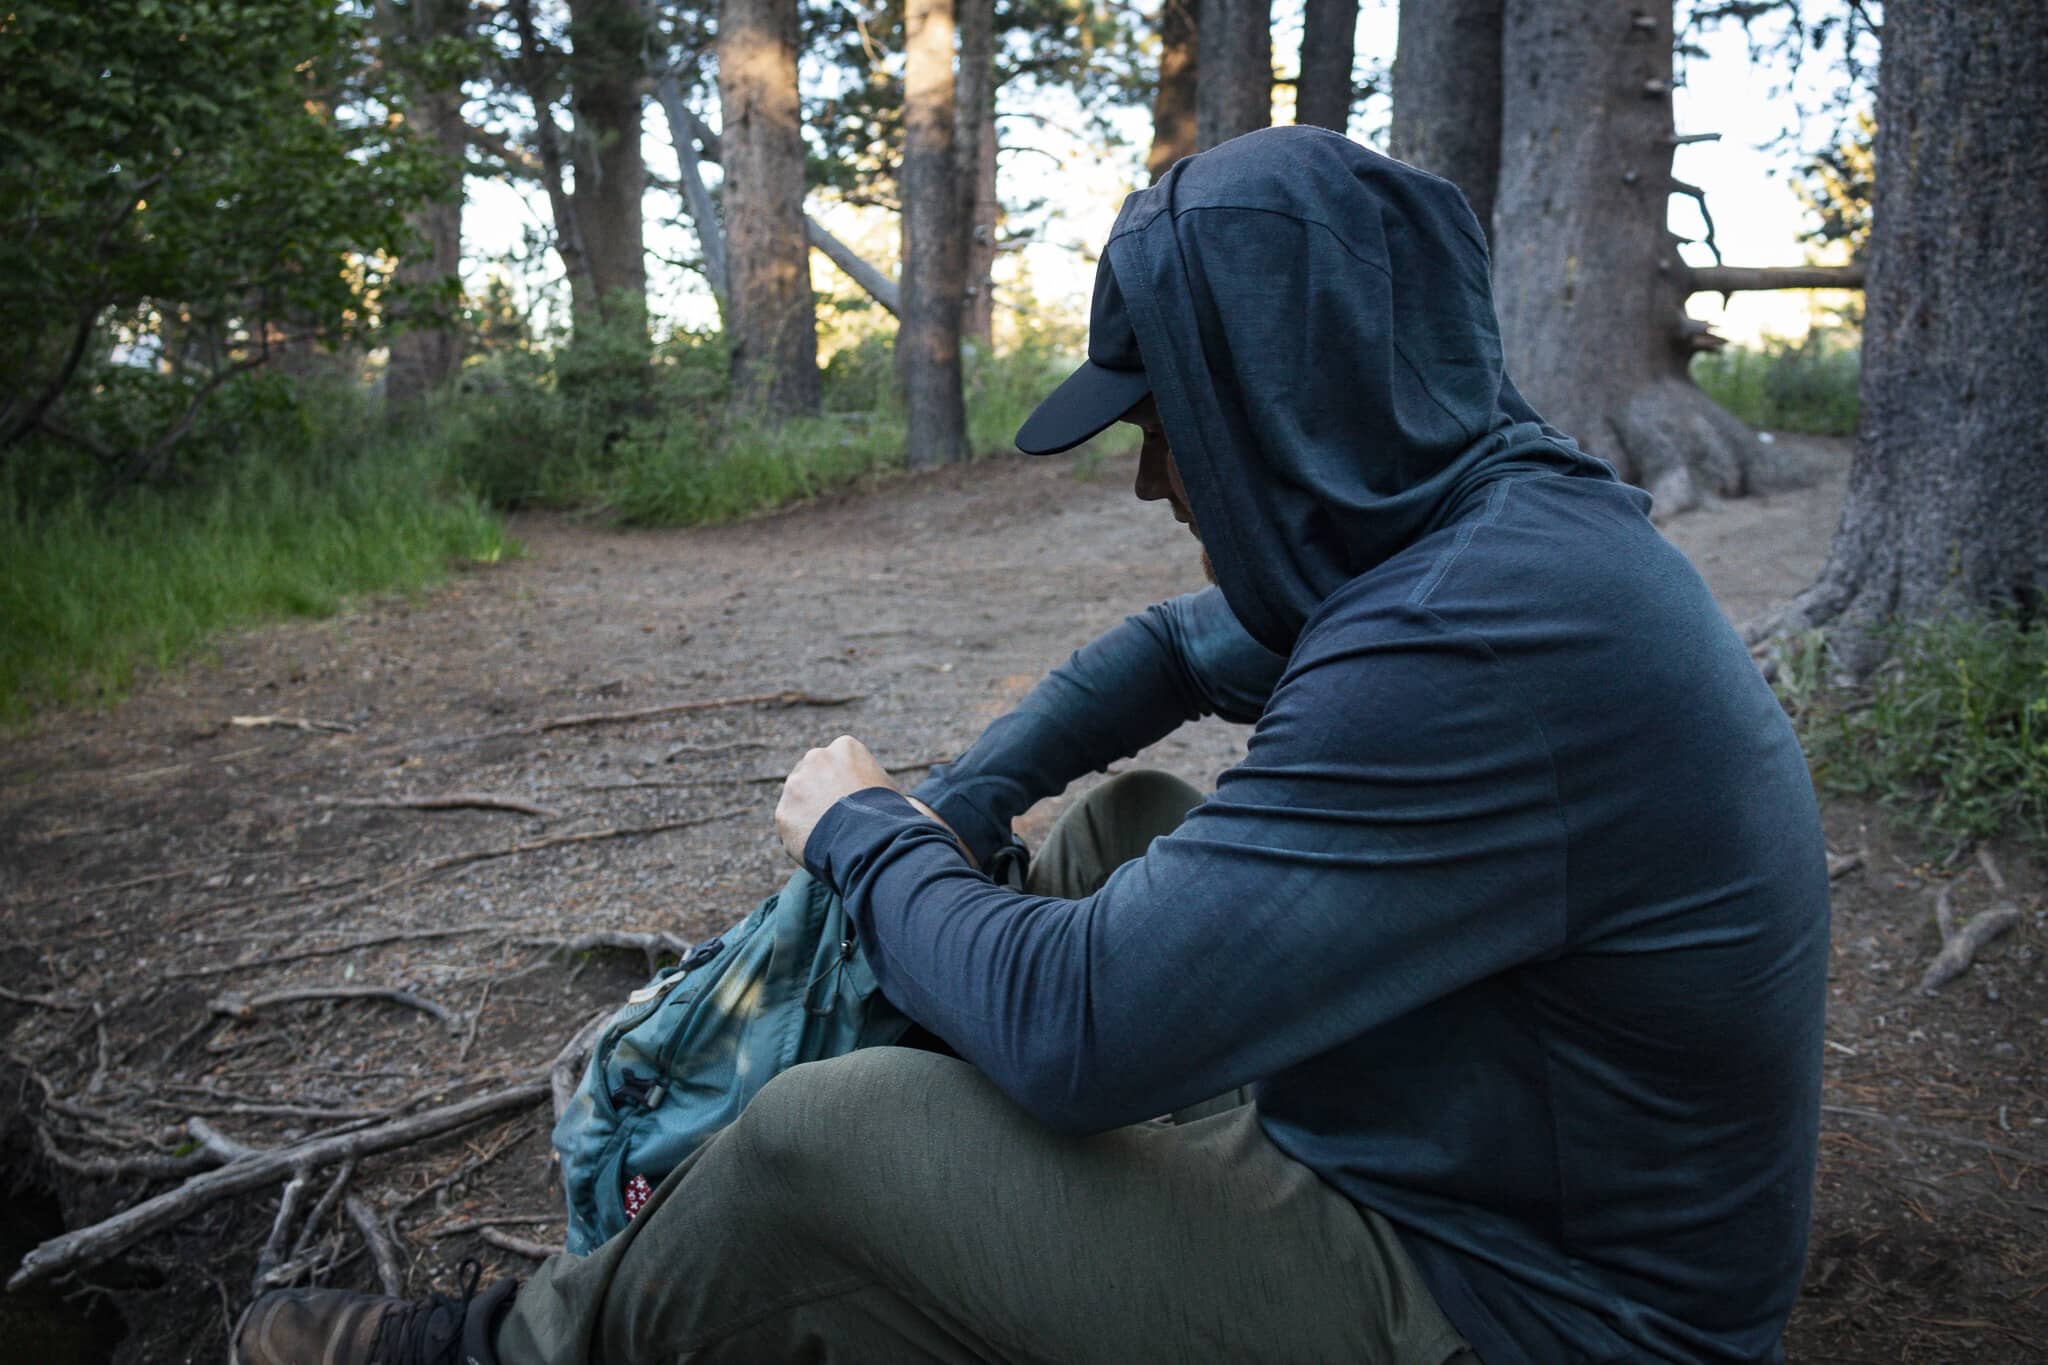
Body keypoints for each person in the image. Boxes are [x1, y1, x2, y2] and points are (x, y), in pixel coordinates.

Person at [232, 126, 1828, 1365]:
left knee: (816, 1141)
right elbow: (1160, 658)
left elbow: (1079, 1032)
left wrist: (866, 838)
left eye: (1165, 423)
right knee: (1121, 817)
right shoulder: (1469, 527)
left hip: (1532, 1306)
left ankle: (516, 1346)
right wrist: (967, 801)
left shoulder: (1475, 641)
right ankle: (886, 1253)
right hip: (1474, 1148)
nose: (1153, 486)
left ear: (1276, 400)